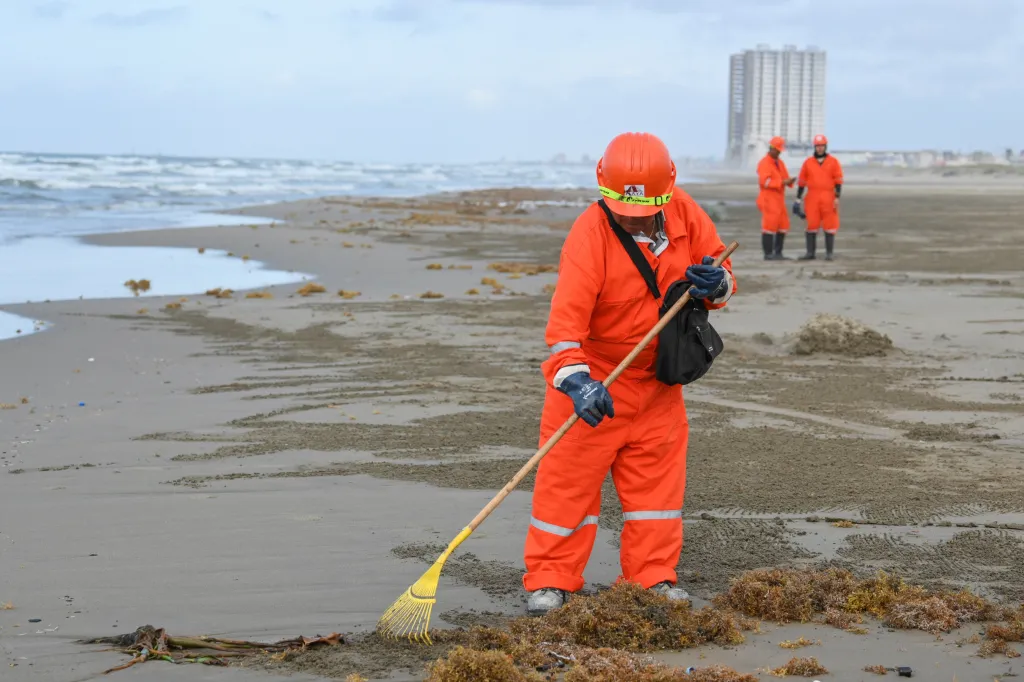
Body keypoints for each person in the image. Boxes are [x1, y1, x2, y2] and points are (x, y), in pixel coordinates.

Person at [523, 131, 737, 616]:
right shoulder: (588, 235)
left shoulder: (686, 213)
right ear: (605, 190)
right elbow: (564, 331)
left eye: (644, 211)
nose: (633, 218)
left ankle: (651, 576)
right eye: (625, 210)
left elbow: (724, 277)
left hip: (658, 384)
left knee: (656, 494)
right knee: (566, 489)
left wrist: (716, 284)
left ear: (667, 192)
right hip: (596, 382)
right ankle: (551, 580)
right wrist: (576, 382)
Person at [794, 134, 844, 260]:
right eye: (817, 146)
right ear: (814, 147)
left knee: (830, 224)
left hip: (828, 196)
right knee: (811, 224)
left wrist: (837, 197)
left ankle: (829, 253)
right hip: (812, 196)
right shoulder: (808, 163)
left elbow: (838, 181)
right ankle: (810, 253)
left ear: (825, 146)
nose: (820, 148)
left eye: (822, 146)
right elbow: (801, 183)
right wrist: (798, 199)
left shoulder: (833, 162)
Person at [756, 136, 796, 260]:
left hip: (779, 199)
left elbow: (785, 177)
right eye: (777, 150)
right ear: (771, 148)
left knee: (783, 225)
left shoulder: (780, 163)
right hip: (768, 199)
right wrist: (782, 182)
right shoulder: (764, 163)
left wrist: (789, 181)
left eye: (780, 151)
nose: (779, 153)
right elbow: (764, 182)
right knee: (769, 226)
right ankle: (768, 254)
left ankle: (778, 253)